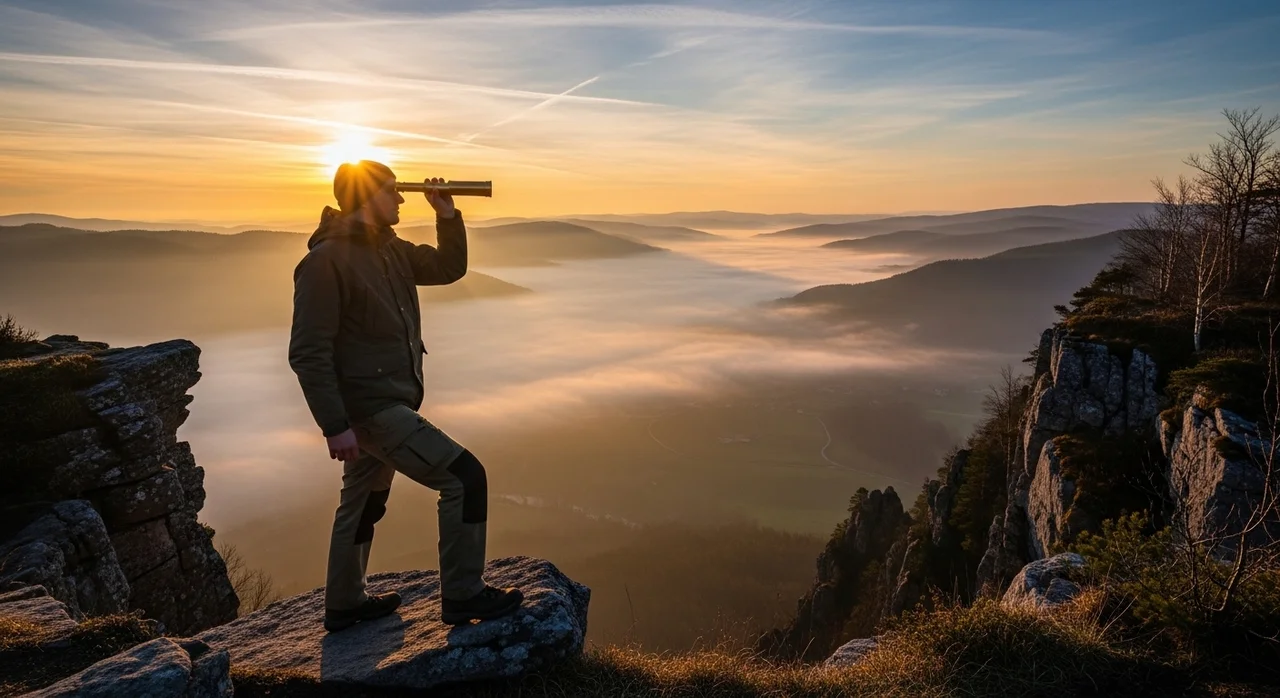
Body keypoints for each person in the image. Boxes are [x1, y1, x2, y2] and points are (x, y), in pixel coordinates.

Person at [288, 160, 522, 632]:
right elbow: (308, 352)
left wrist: (447, 214)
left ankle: (345, 603)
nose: (400, 200)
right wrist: (335, 425)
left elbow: (448, 268)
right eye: (392, 192)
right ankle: (463, 594)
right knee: (464, 477)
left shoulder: (390, 251)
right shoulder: (325, 262)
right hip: (371, 410)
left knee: (363, 505)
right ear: (366, 198)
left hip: (386, 403)